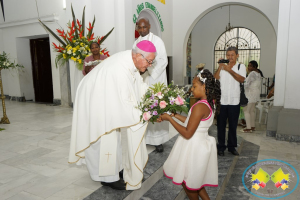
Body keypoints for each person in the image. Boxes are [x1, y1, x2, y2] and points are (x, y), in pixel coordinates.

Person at [68, 41, 156, 190]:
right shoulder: (121, 69)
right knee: (102, 136)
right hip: (93, 99)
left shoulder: (131, 61)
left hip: (103, 96)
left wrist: (154, 99)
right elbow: (125, 103)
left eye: (151, 62)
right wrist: (145, 115)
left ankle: (115, 169)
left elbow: (138, 85)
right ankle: (106, 177)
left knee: (114, 136)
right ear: (137, 55)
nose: (149, 65)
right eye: (148, 61)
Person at [160, 69, 220, 200]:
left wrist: (169, 119)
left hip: (193, 147)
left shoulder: (199, 106)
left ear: (204, 87)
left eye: (194, 86)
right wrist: (173, 115)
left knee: (189, 184)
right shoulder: (209, 103)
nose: (192, 89)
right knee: (195, 182)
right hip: (199, 143)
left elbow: (187, 133)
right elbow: (190, 121)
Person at [133, 17, 168, 153]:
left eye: (144, 27)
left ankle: (158, 141)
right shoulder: (135, 43)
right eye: (140, 27)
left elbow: (163, 60)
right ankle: (144, 138)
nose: (142, 30)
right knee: (144, 108)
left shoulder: (157, 41)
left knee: (156, 107)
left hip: (155, 80)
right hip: (142, 80)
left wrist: (148, 69)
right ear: (137, 28)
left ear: (149, 27)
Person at [214, 47, 246, 156]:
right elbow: (215, 78)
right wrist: (220, 67)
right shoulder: (222, 67)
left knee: (233, 125)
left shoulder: (240, 66)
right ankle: (221, 147)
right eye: (228, 55)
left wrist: (230, 70)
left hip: (234, 101)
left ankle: (232, 147)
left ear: (237, 55)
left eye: (232, 55)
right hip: (222, 101)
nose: (230, 57)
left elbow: (241, 79)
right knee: (220, 125)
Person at [241, 60, 261, 133]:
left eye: (250, 66)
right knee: (252, 110)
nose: (248, 67)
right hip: (255, 93)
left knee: (246, 111)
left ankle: (248, 128)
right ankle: (252, 126)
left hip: (250, 93)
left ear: (254, 67)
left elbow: (247, 84)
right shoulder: (258, 73)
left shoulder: (252, 73)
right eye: (248, 66)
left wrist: (242, 82)